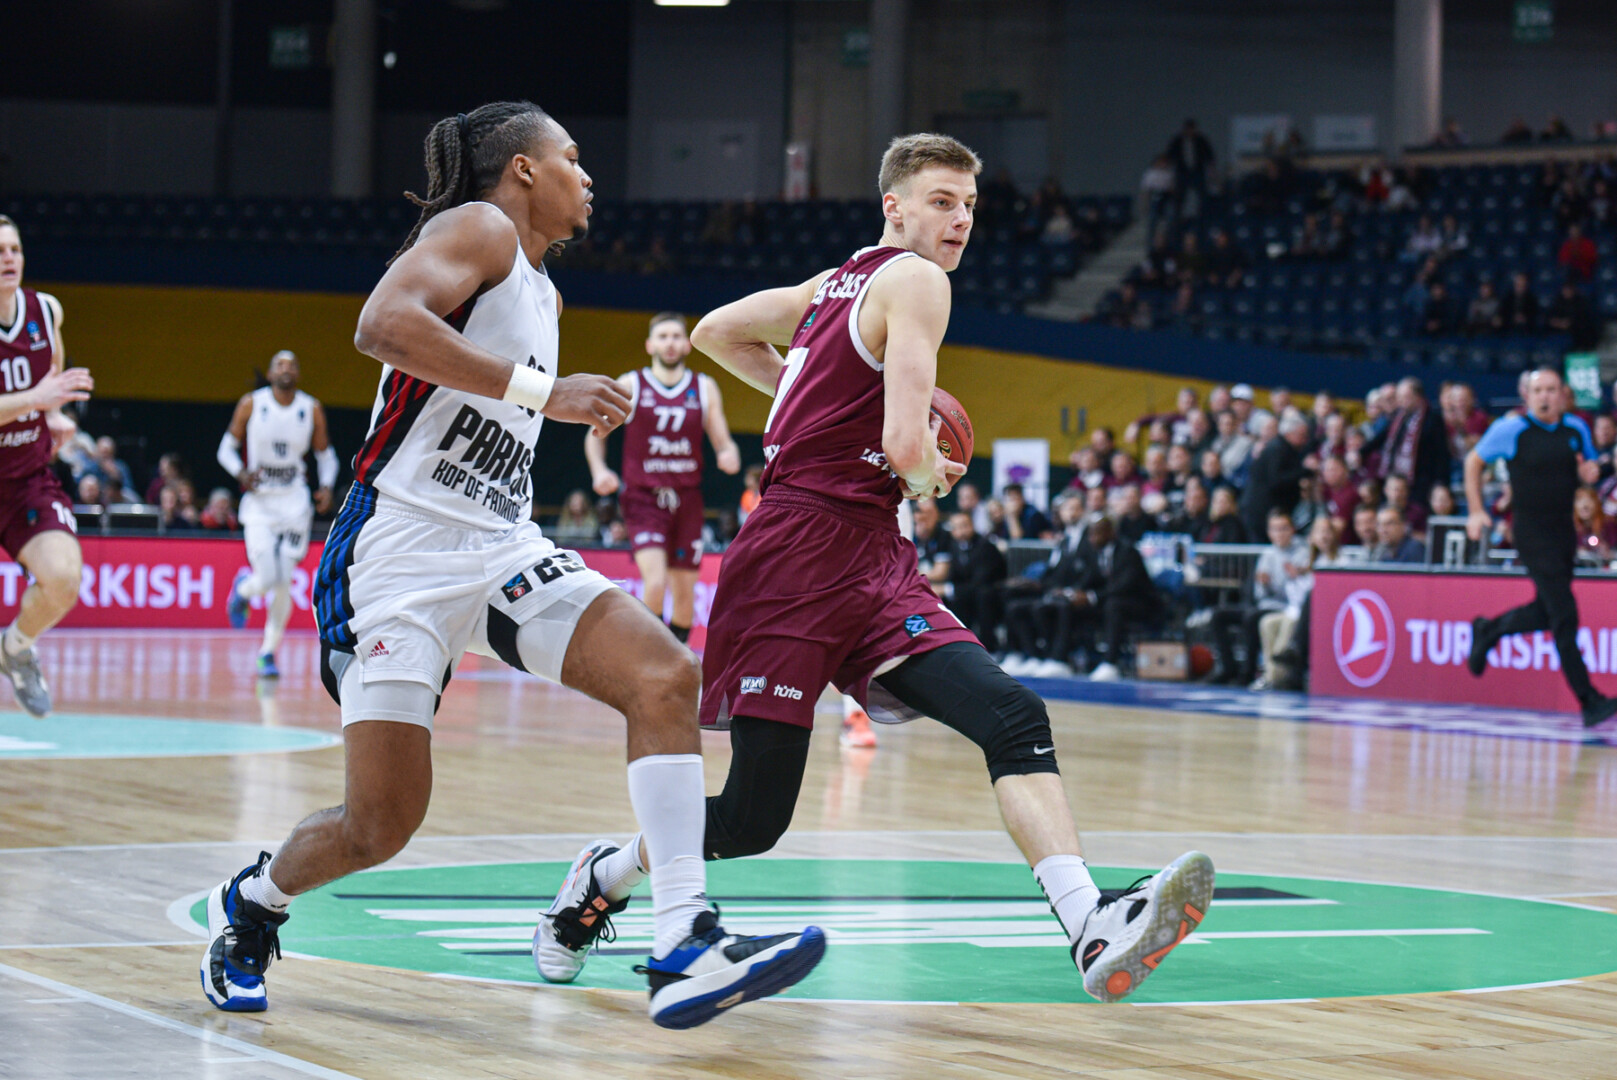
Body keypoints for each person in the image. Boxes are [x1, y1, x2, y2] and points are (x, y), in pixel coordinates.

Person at [545, 132, 1213, 1005]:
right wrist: (930, 472)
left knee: (1012, 715)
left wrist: (812, 399)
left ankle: (1089, 922)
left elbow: (714, 332)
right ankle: (603, 872)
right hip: (796, 555)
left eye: (968, 206)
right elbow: (904, 446)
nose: (959, 220)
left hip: (867, 554)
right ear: (893, 206)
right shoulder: (917, 281)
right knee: (750, 819)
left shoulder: (831, 285)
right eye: (941, 201)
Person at [197, 101, 822, 1029]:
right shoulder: (479, 227)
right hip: (398, 551)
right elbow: (381, 324)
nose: (588, 176)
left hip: (501, 544)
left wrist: (547, 400)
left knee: (663, 676)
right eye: (571, 156)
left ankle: (685, 939)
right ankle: (253, 904)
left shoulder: (545, 293)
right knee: (380, 825)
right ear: (523, 169)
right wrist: (545, 391)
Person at [1466, 368, 1617, 727]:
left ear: (1563, 395)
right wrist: (1475, 510)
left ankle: (1489, 630)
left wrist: (1596, 471)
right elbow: (1473, 461)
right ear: (1528, 396)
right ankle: (1589, 700)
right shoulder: (1512, 429)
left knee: (1547, 610)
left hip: (1564, 532)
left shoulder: (1575, 428)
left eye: (1552, 390)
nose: (1546, 396)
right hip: (1531, 534)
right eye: (1539, 391)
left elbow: (1586, 469)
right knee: (1564, 616)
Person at [584, 312, 741, 642]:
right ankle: (646, 654)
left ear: (687, 345)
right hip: (644, 498)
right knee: (654, 584)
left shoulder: (704, 387)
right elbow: (594, 433)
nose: (670, 343)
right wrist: (600, 470)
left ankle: (673, 654)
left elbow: (723, 440)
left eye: (676, 337)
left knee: (685, 599)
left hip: (687, 500)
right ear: (650, 345)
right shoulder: (632, 384)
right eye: (663, 336)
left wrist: (728, 454)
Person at [0, 215, 94, 718]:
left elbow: (51, 373)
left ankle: (15, 649)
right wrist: (36, 399)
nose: (8, 259)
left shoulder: (45, 309)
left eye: (14, 249)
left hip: (26, 481)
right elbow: (38, 390)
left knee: (63, 579)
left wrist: (54, 414)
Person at [219, 350, 338, 678]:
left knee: (283, 581)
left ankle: (268, 653)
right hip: (259, 505)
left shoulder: (310, 408)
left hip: (295, 504)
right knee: (268, 578)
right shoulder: (251, 404)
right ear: (270, 374)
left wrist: (327, 486)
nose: (286, 369)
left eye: (292, 365)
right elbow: (225, 449)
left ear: (298, 374)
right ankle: (243, 589)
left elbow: (326, 456)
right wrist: (241, 472)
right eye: (280, 365)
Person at [1209, 509, 1307, 685]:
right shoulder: (1268, 554)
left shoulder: (1302, 553)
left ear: (1292, 530)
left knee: (1251, 617)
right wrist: (1263, 584)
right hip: (1264, 604)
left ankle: (1248, 672)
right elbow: (1259, 594)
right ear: (1269, 532)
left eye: (1283, 528)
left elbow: (1297, 594)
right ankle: (1227, 667)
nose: (1279, 533)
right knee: (1218, 615)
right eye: (1275, 529)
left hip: (1285, 607)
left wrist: (1290, 578)